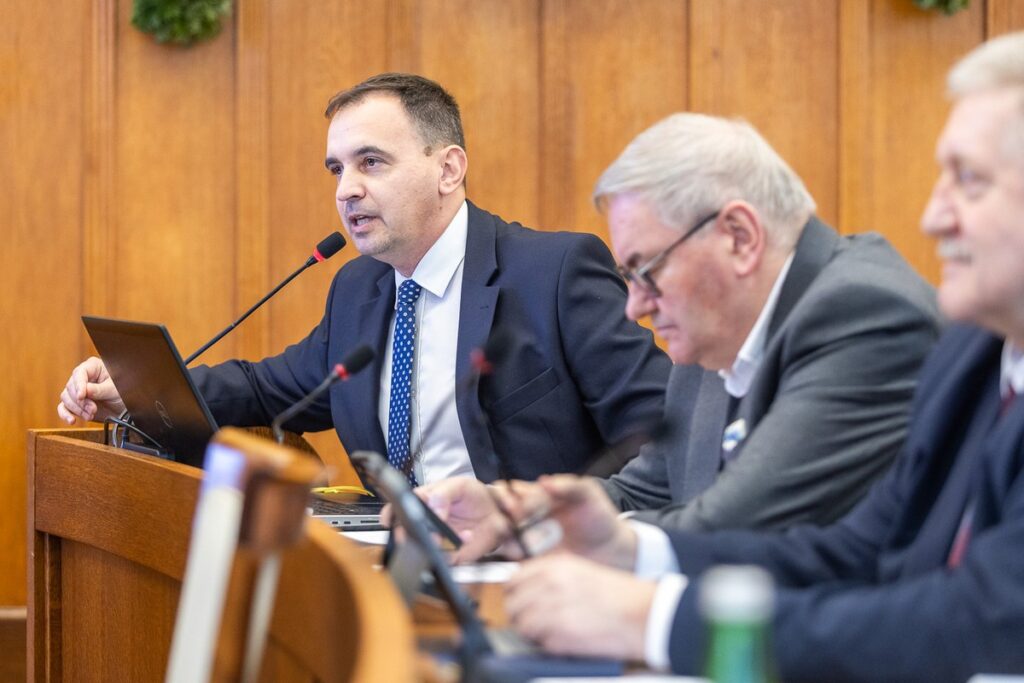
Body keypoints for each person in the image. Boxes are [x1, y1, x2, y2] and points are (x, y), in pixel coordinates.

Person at [495, 32, 1024, 682]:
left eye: (968, 181)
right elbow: (859, 549)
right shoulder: (974, 352)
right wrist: (629, 547)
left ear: (740, 237)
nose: (932, 215)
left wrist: (656, 619)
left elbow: (984, 619)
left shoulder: (868, 311)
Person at [56, 73, 671, 484]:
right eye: (336, 169)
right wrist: (132, 385)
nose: (346, 190)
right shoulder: (359, 289)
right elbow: (270, 390)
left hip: (537, 573)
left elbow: (661, 439)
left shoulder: (554, 273)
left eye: (371, 162)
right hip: (397, 570)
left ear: (449, 168)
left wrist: (551, 526)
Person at [413, 111, 940, 549]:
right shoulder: (712, 335)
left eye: (648, 271)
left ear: (738, 236)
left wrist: (559, 538)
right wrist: (518, 517)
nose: (635, 308)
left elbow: (733, 524)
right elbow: (644, 492)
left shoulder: (863, 314)